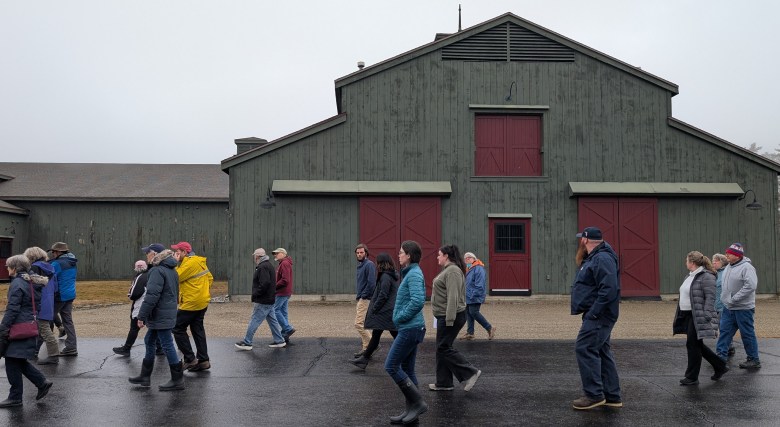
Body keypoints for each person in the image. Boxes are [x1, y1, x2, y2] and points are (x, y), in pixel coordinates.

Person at [570, 227, 621, 410]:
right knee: (601, 351)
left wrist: (594, 312)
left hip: (599, 315)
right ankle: (612, 396)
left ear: (585, 240)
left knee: (584, 347)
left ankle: (594, 394)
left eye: (581, 239)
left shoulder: (602, 258)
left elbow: (609, 289)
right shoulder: (595, 257)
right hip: (598, 313)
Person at [129, 244, 184, 391]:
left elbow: (152, 296)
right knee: (149, 340)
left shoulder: (156, 271)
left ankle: (177, 379)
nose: (146, 255)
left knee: (167, 344)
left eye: (148, 253)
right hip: (165, 312)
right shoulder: (171, 270)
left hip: (160, 314)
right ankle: (145, 376)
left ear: (155, 254)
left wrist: (141, 316)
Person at [0, 255, 53, 407]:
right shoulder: (32, 281)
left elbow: (12, 309)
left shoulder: (17, 283)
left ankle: (16, 397)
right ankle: (41, 382)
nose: (7, 269)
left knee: (12, 359)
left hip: (18, 326)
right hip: (29, 324)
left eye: (8, 266)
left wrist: (3, 328)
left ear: (15, 268)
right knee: (17, 358)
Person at [384, 240, 427, 425]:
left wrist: (400, 316)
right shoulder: (411, 273)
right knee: (408, 370)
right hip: (411, 328)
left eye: (401, 252)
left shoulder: (414, 274)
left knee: (391, 366)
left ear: (409, 255)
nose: (399, 255)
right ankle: (412, 412)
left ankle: (418, 403)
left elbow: (418, 301)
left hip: (410, 328)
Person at [429, 245, 482, 392]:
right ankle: (444, 382)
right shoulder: (448, 270)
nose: (437, 257)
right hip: (444, 316)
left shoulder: (452, 271)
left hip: (451, 316)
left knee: (443, 348)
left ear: (446, 256)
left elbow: (453, 297)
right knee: (442, 348)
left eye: (439, 255)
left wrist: (449, 319)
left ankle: (470, 373)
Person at [672, 251, 729, 385]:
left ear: (692, 262)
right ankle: (720, 366)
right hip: (687, 314)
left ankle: (692, 377)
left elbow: (710, 296)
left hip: (698, 315)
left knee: (692, 344)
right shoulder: (689, 276)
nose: (685, 263)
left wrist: (707, 313)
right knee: (697, 345)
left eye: (687, 260)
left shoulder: (706, 276)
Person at [351, 252, 399, 370]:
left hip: (384, 311)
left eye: (377, 262)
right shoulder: (389, 275)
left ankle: (405, 355)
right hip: (387, 311)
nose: (376, 264)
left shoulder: (386, 276)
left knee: (395, 334)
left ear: (381, 263)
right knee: (377, 335)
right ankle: (364, 359)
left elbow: (383, 294)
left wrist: (375, 308)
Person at [170, 241, 214, 372]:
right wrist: (202, 292)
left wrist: (174, 263)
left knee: (177, 328)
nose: (176, 254)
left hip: (191, 302)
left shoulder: (189, 262)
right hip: (202, 301)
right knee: (197, 328)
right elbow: (210, 278)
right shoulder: (199, 261)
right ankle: (203, 360)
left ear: (185, 252)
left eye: (178, 252)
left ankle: (190, 359)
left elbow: (175, 277)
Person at [715, 243, 760, 369]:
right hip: (728, 307)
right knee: (724, 332)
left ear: (737, 255)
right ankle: (720, 357)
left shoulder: (747, 267)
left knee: (747, 334)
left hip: (743, 308)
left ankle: (753, 359)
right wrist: (726, 300)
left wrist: (734, 299)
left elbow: (750, 286)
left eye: (729, 253)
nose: (726, 255)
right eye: (726, 253)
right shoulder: (728, 267)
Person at [235, 248, 287, 350]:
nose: (254, 258)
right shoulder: (268, 265)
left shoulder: (262, 267)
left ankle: (247, 342)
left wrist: (256, 293)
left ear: (257, 256)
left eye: (255, 256)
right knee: (272, 321)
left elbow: (265, 283)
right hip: (269, 299)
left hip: (263, 300)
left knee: (254, 320)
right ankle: (279, 340)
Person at [113, 260, 163, 357]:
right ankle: (160, 348)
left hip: (141, 305)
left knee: (134, 327)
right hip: (153, 304)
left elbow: (134, 293)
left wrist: (130, 295)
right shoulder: (153, 275)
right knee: (153, 327)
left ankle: (126, 348)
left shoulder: (141, 277)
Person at [23, 246, 60, 364]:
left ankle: (54, 355)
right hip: (48, 300)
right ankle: (33, 353)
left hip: (38, 301)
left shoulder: (34, 268)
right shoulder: (50, 267)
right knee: (41, 329)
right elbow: (56, 287)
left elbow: (31, 287)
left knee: (44, 329)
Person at [48, 241, 78, 356]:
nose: (52, 254)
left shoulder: (57, 264)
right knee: (68, 321)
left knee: (46, 319)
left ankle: (44, 348)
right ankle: (71, 347)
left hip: (59, 295)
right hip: (70, 295)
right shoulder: (72, 261)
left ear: (58, 252)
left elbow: (48, 276)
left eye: (53, 252)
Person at [460, 252, 495, 341]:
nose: (466, 260)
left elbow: (480, 285)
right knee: (469, 312)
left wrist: (473, 294)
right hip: (469, 295)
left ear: (473, 258)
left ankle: (489, 328)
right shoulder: (470, 268)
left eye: (468, 258)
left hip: (475, 295)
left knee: (473, 312)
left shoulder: (478, 268)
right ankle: (470, 333)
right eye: (465, 259)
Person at [353, 243, 376, 358]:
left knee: (358, 324)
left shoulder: (369, 265)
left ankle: (373, 344)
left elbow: (371, 283)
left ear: (366, 253)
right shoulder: (361, 265)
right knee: (363, 324)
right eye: (357, 253)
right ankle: (366, 348)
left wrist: (363, 296)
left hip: (365, 299)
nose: (359, 254)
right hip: (361, 298)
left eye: (361, 252)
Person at [711, 253, 735, 357]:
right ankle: (729, 346)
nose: (713, 263)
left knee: (724, 327)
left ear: (722, 262)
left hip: (724, 306)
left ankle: (727, 348)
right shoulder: (714, 274)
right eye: (713, 261)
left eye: (716, 261)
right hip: (715, 305)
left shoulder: (727, 272)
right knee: (720, 327)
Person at [272, 248, 296, 342]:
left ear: (283, 254)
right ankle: (285, 334)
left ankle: (288, 328)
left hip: (282, 292)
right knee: (283, 312)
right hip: (285, 292)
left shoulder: (284, 263)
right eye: (274, 254)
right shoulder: (284, 263)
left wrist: (274, 286)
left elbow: (285, 280)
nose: (275, 255)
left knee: (275, 310)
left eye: (277, 253)